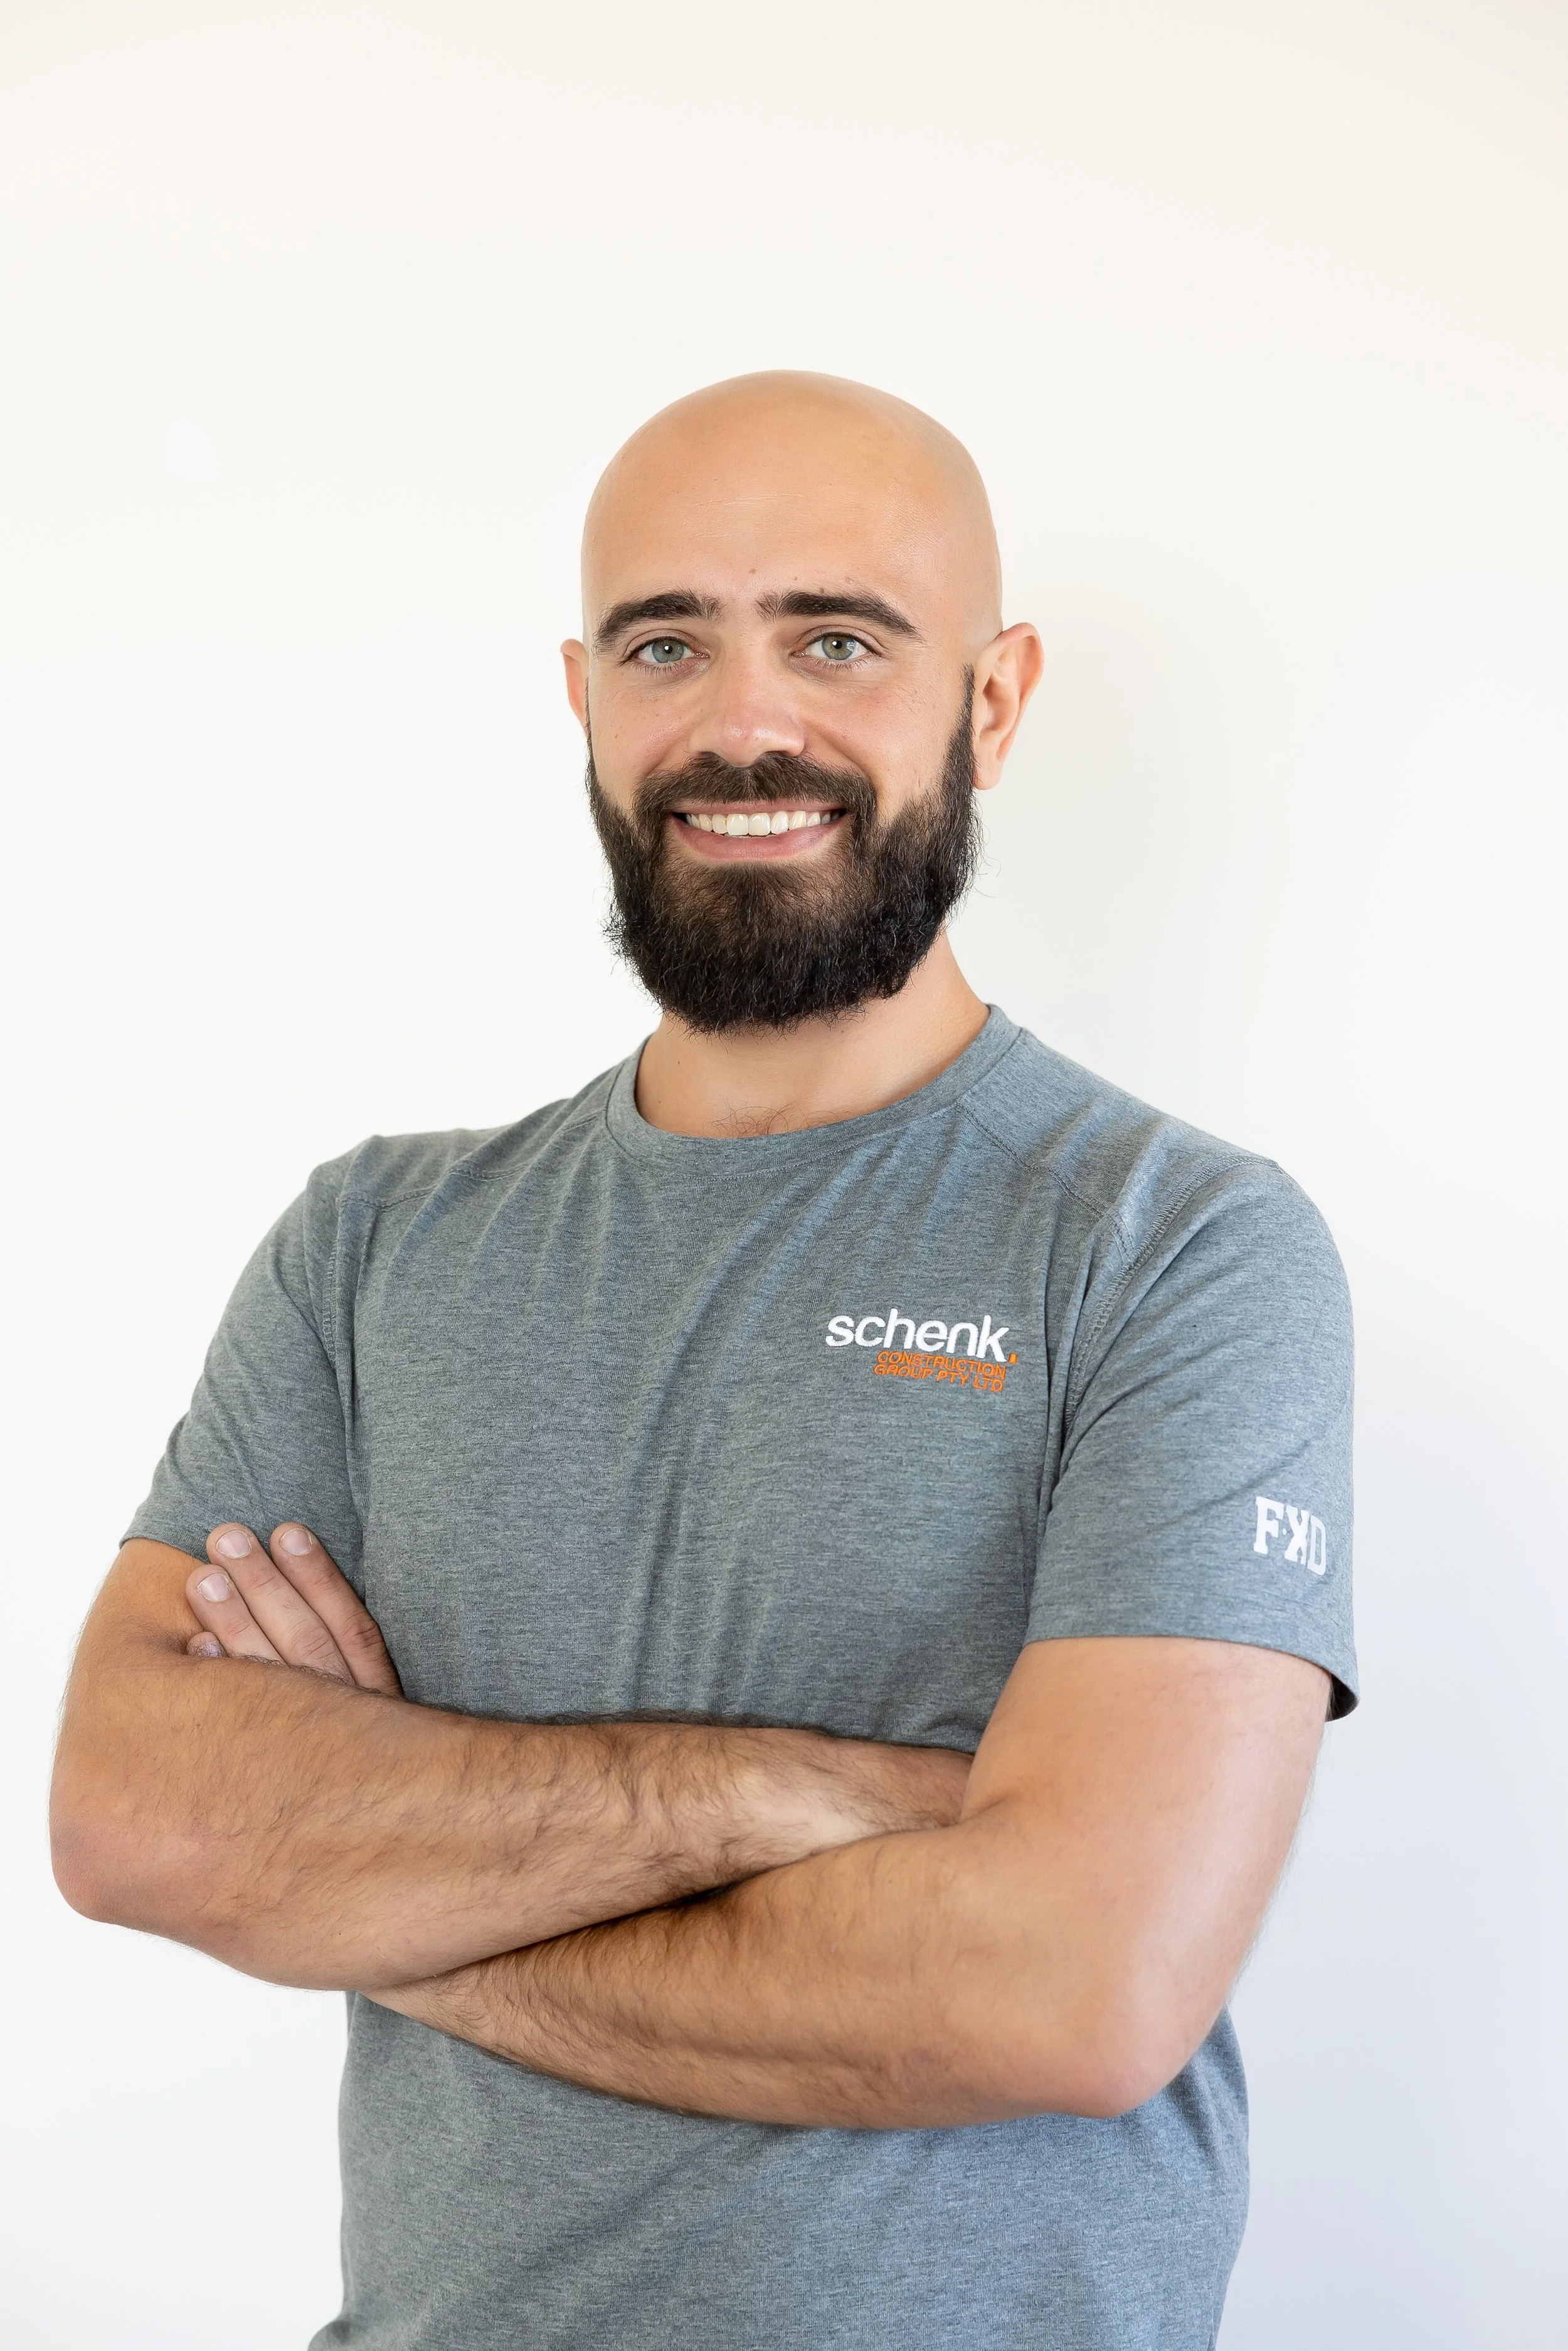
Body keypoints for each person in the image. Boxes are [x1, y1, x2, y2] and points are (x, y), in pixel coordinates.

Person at [51, 371, 1356, 2351]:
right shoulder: (373, 1245)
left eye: (837, 637)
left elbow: (1075, 1985)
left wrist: (395, 1904)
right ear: (583, 695)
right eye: (668, 641)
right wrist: (770, 1793)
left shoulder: (1174, 1247)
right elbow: (134, 1817)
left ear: (990, 701)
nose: (747, 724)